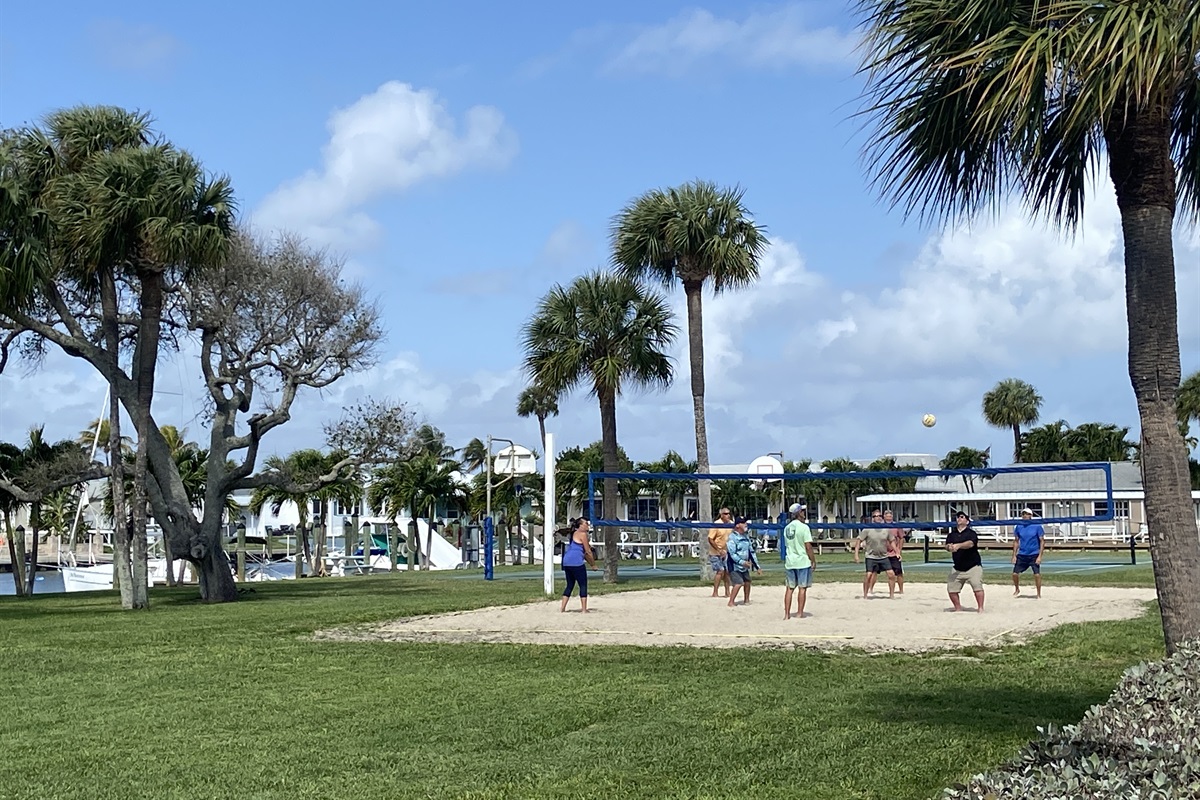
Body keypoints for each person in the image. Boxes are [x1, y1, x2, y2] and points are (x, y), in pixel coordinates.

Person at [781, 503, 815, 620]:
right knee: (802, 588)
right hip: (802, 561)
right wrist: (813, 560)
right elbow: (808, 546)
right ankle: (800, 613)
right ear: (799, 513)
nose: (804, 513)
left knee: (789, 589)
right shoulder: (804, 527)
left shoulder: (787, 528)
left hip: (790, 561)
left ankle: (787, 615)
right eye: (802, 511)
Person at [946, 511, 984, 612]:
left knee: (977, 587)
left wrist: (958, 545)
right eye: (957, 517)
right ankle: (958, 608)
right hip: (957, 567)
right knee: (951, 590)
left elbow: (970, 544)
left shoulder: (971, 533)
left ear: (967, 521)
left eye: (962, 517)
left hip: (973, 566)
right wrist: (949, 547)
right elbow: (947, 546)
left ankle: (980, 608)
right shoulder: (952, 534)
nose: (959, 518)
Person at [853, 510, 897, 599]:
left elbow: (892, 541)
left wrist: (897, 552)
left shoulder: (886, 528)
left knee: (891, 574)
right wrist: (856, 555)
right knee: (869, 575)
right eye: (876, 516)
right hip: (871, 556)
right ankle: (865, 595)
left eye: (879, 515)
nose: (878, 517)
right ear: (872, 518)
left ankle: (892, 595)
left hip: (883, 556)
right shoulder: (867, 529)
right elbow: (858, 541)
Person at [560, 517, 596, 613]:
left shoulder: (573, 534)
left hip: (567, 561)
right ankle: (584, 609)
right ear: (580, 525)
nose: (587, 525)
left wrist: (591, 563)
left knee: (570, 585)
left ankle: (562, 608)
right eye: (586, 524)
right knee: (583, 585)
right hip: (576, 562)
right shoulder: (583, 534)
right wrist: (593, 564)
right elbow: (587, 552)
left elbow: (583, 552)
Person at [726, 516, 762, 607]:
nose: (746, 524)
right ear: (737, 525)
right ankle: (731, 602)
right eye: (743, 523)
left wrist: (757, 567)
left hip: (744, 566)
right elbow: (732, 554)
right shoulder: (732, 538)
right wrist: (742, 562)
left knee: (747, 581)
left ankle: (746, 600)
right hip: (734, 565)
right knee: (738, 583)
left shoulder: (746, 537)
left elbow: (751, 552)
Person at [1011, 507, 1045, 598]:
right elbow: (1016, 541)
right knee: (1015, 574)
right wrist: (1014, 555)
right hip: (1022, 554)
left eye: (1027, 514)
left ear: (1031, 516)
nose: (1025, 516)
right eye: (1023, 514)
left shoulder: (1037, 526)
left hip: (1034, 553)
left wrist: (1040, 556)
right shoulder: (1019, 526)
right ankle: (1017, 589)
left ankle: (1038, 593)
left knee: (1037, 574)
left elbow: (1042, 541)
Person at [707, 507, 733, 598]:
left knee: (727, 572)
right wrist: (718, 550)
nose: (728, 515)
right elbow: (710, 539)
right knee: (720, 571)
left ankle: (727, 592)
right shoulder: (716, 524)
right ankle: (715, 592)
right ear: (721, 515)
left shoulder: (731, 524)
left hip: (726, 552)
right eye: (725, 514)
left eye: (729, 513)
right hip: (715, 552)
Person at [884, 509, 905, 595]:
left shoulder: (896, 526)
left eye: (890, 516)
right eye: (887, 516)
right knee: (873, 571)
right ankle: (870, 589)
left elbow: (901, 538)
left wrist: (898, 550)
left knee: (898, 572)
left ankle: (901, 590)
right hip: (883, 553)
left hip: (894, 553)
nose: (889, 518)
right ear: (884, 517)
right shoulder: (880, 526)